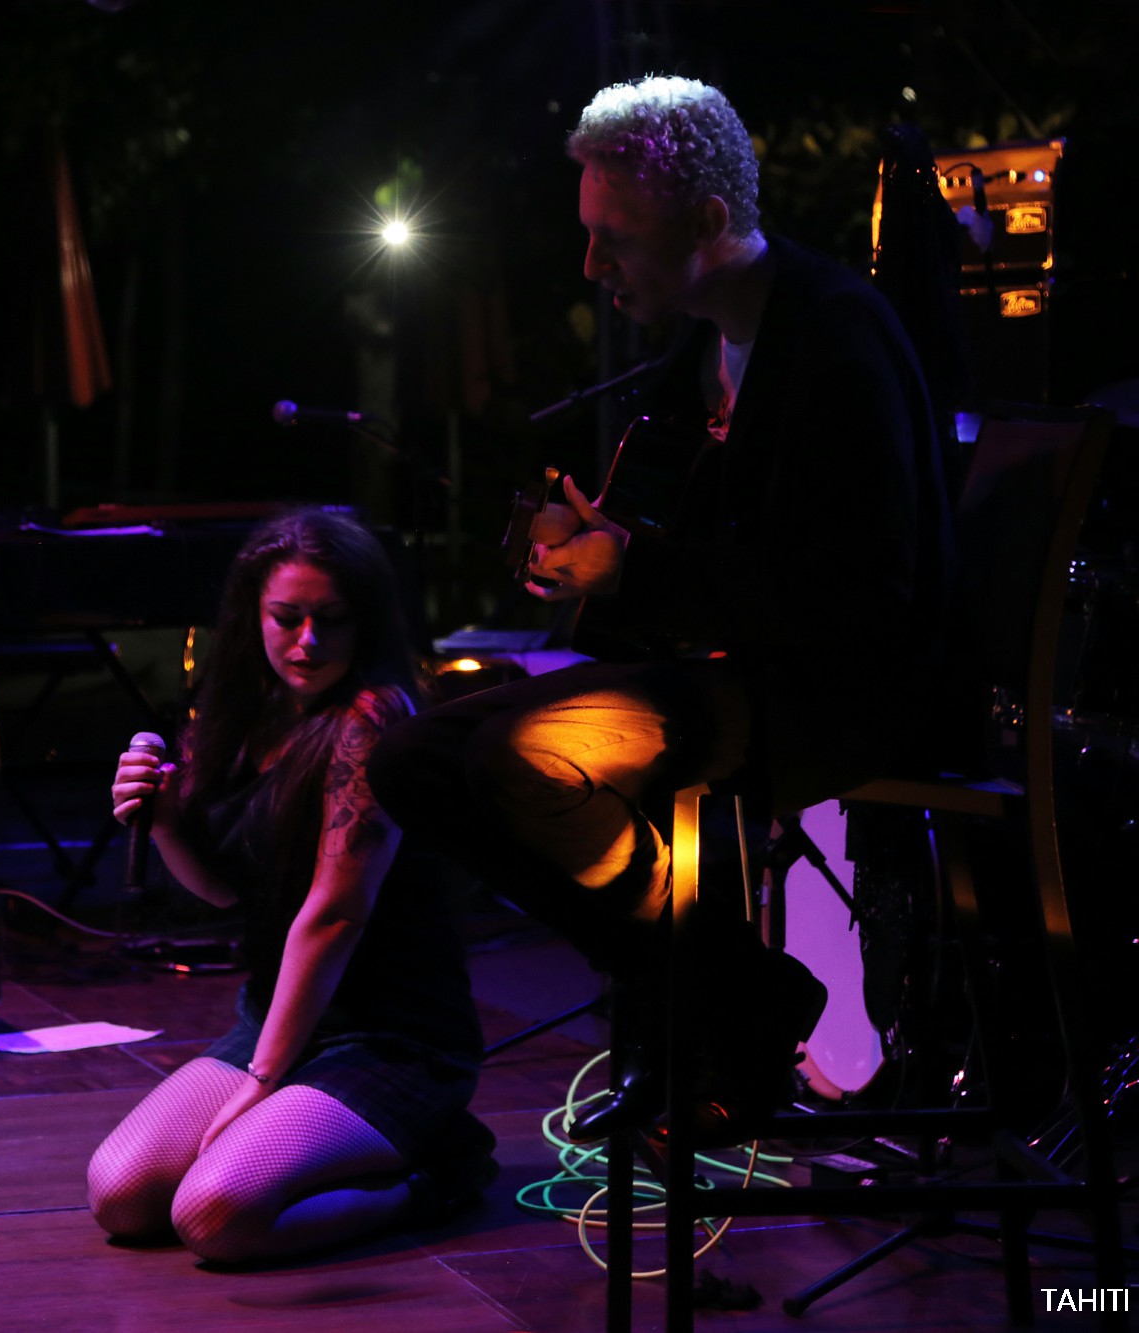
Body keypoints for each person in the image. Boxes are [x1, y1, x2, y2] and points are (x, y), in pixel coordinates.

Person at [367, 77, 956, 1143]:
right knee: (410, 758)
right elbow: (694, 546)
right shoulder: (702, 345)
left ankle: (711, 1009)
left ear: (707, 222)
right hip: (740, 671)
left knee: (523, 760)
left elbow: (856, 594)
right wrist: (599, 549)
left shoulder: (834, 337)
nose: (592, 266)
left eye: (617, 239)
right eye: (588, 234)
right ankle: (726, 992)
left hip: (837, 692)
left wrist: (630, 572)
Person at [87, 510, 492, 1265]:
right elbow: (222, 894)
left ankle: (439, 1174)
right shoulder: (249, 713)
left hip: (392, 1039)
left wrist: (262, 1079)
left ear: (365, 620)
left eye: (330, 620)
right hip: (278, 1019)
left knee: (215, 1217)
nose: (307, 641)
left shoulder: (374, 716)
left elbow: (336, 911)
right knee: (122, 1194)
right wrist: (166, 821)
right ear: (254, 615)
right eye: (287, 618)